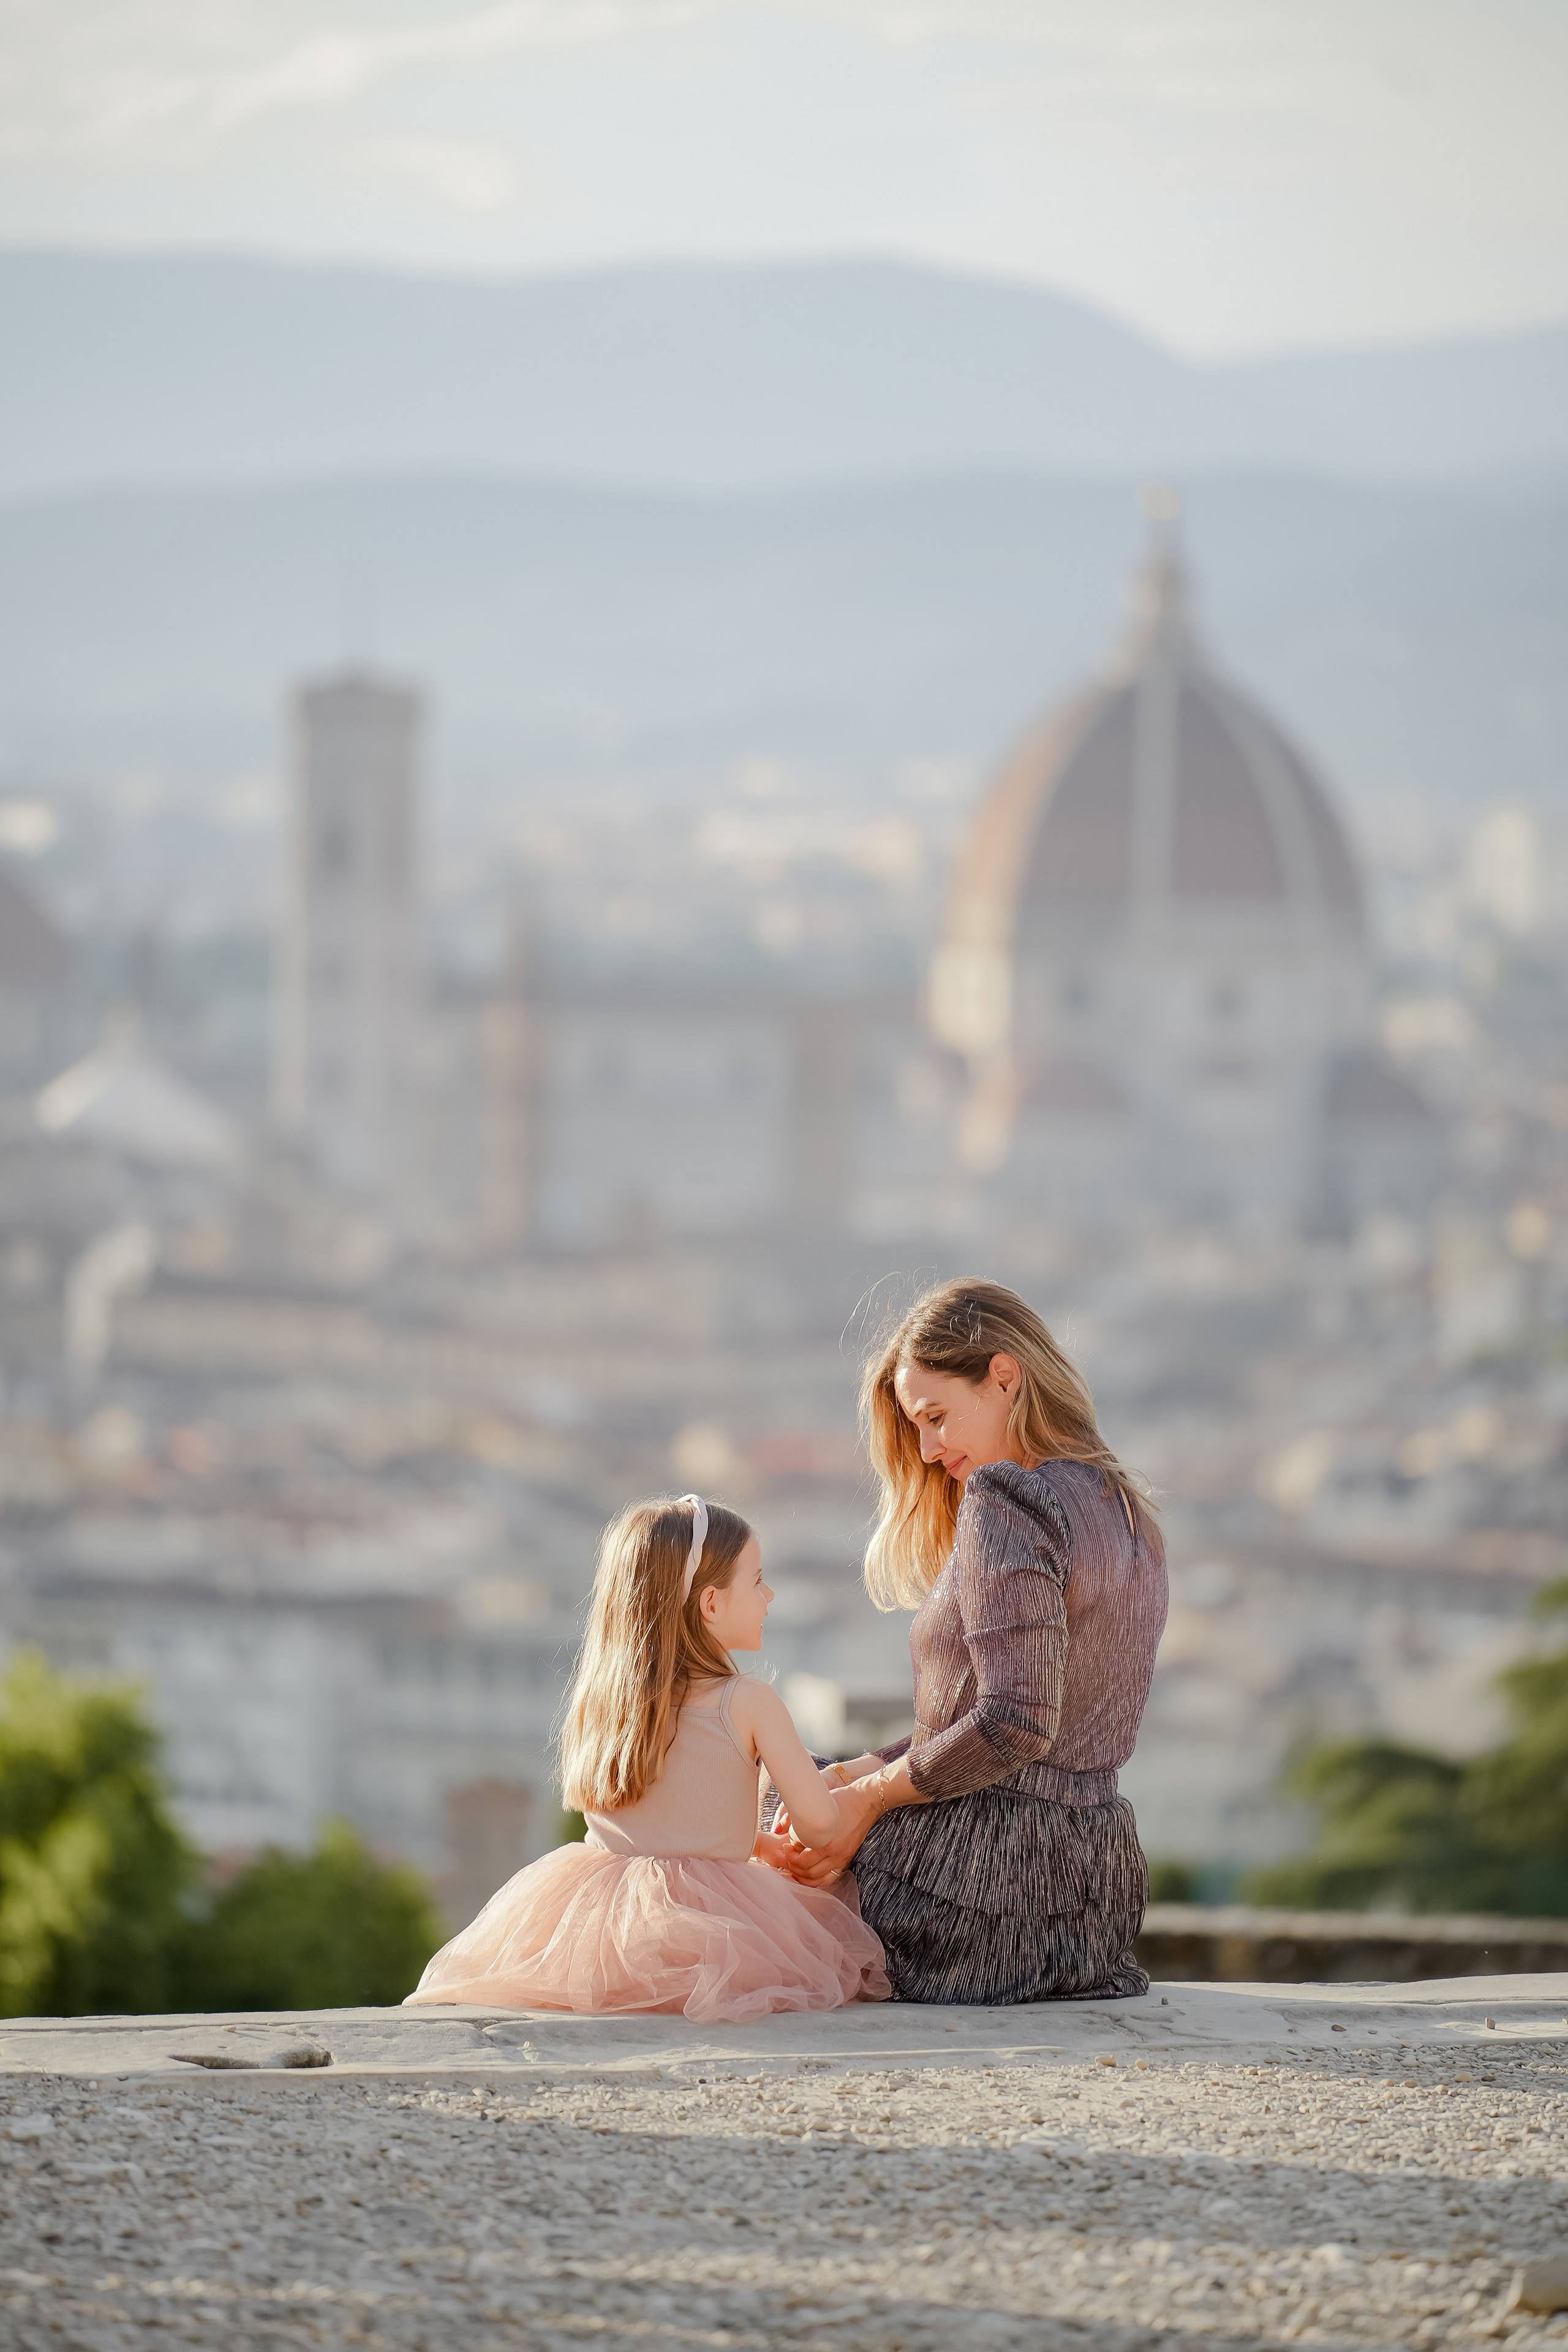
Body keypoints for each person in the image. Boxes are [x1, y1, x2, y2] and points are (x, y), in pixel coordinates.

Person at [772, 1278, 1167, 2005]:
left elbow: (1014, 1723)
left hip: (975, 1892)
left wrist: (866, 1801)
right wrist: (863, 1770)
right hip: (1090, 1908)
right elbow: (989, 1727)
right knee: (813, 1782)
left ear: (1004, 1377)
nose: (925, 1450)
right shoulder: (1125, 1509)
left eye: (935, 1417)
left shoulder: (1007, 1501)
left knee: (757, 1801)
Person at [405, 1494, 888, 2022]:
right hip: (715, 1927)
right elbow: (820, 1825)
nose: (769, 1596)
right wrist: (873, 1783)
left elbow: (664, 1818)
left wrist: (755, 1843)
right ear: (710, 1604)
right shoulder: (749, 1701)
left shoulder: (604, 1698)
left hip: (598, 1920)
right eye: (756, 1581)